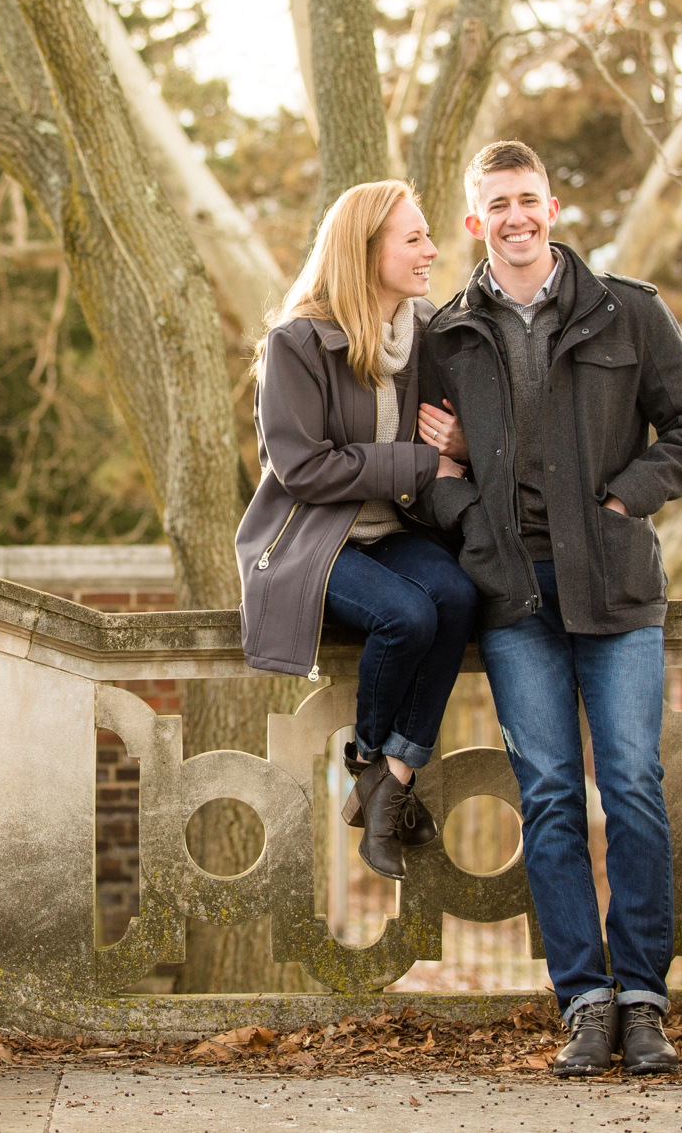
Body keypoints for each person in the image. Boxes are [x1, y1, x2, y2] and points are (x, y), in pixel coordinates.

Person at [409, 141, 682, 1077]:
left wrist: (625, 497)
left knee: (629, 783)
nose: (514, 217)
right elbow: (426, 471)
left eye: (528, 200)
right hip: (512, 592)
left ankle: (645, 998)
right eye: (495, 204)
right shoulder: (447, 335)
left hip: (617, 585)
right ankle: (584, 999)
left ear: (554, 206)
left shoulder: (628, 311)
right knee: (548, 793)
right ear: (475, 221)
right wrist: (467, 512)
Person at [237, 180, 480, 882]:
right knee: (404, 615)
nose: (432, 250)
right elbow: (303, 467)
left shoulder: (427, 331)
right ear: (365, 249)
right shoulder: (298, 341)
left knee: (458, 598)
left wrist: (460, 444)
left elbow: (459, 437)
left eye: (428, 235)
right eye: (413, 239)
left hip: (392, 527)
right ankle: (370, 759)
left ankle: (389, 777)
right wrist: (420, 460)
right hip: (313, 539)